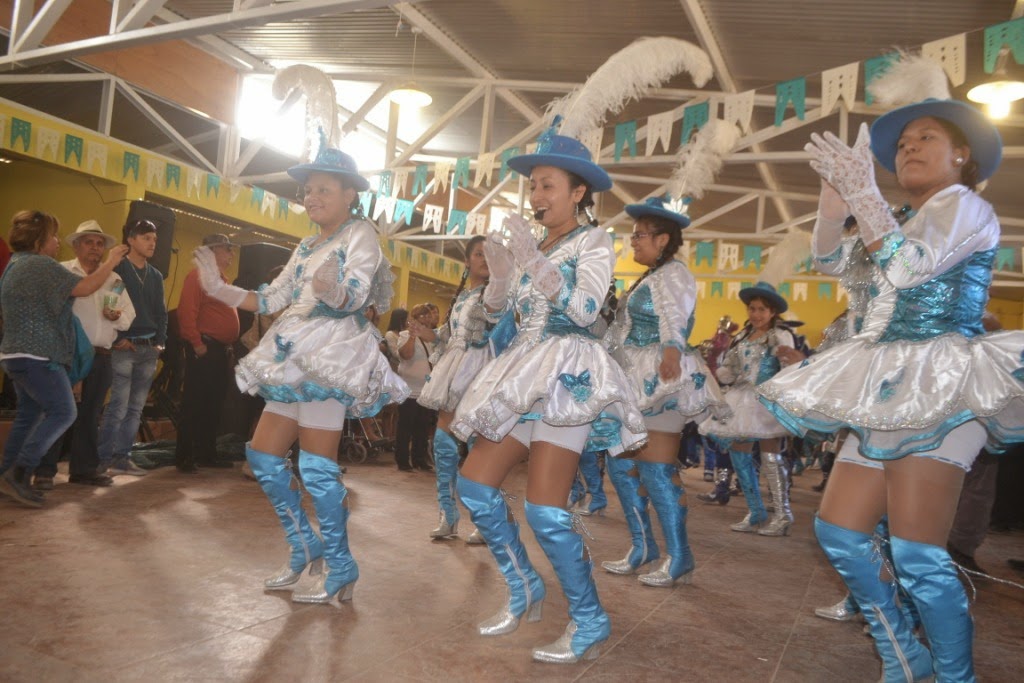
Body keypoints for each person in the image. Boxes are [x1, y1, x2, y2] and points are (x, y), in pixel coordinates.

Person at [757, 95, 1024, 681]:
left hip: (941, 384)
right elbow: (831, 260)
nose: (909, 149)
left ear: (962, 155)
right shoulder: (903, 219)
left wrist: (867, 197)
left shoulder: (966, 208)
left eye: (925, 138)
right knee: (840, 532)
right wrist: (835, 201)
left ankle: (956, 677)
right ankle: (905, 657)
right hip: (885, 385)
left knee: (917, 554)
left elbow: (907, 269)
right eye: (902, 144)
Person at [450, 126, 646, 664]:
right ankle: (524, 585)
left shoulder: (594, 241)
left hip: (567, 377)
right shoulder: (536, 242)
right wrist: (499, 282)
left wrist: (534, 264)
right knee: (475, 486)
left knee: (544, 509)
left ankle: (589, 618)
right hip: (520, 376)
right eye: (533, 187)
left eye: (547, 186)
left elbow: (586, 312)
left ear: (578, 191)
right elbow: (508, 319)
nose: (536, 197)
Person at [194, 141, 407, 603]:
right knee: (264, 457)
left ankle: (340, 564)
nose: (312, 197)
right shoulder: (308, 243)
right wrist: (219, 289)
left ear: (349, 194)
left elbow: (354, 298)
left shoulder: (361, 234)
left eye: (323, 189)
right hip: (293, 349)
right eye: (308, 190)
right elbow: (270, 300)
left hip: (331, 353)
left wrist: (332, 288)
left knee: (315, 466)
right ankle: (303, 544)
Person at [602, 197, 728, 585]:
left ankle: (679, 555)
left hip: (661, 376)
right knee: (620, 465)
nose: (633, 242)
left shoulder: (674, 274)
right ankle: (643, 546)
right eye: (633, 235)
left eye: (639, 235)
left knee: (656, 469)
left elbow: (675, 315)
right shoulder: (649, 276)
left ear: (663, 238)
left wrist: (671, 353)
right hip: (633, 374)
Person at [0, 211, 128, 507]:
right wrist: (111, 261)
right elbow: (84, 287)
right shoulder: (40, 265)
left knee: (30, 414)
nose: (57, 242)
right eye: (54, 237)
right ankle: (20, 472)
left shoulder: (15, 265)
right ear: (40, 240)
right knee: (64, 412)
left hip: (14, 354)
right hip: (37, 354)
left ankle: (7, 472)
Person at [33, 221, 136, 489]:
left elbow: (129, 316)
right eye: (89, 242)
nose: (95, 247)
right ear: (76, 245)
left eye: (100, 243)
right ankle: (44, 471)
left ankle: (84, 470)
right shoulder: (62, 271)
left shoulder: (115, 279)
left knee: (90, 414)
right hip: (66, 355)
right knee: (58, 412)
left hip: (101, 355)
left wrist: (118, 316)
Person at [699, 282, 797, 536]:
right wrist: (723, 374)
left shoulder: (779, 335)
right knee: (739, 455)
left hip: (765, 400)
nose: (756, 314)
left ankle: (783, 514)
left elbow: (789, 369)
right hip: (739, 399)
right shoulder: (742, 336)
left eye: (762, 309)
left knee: (771, 456)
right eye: (752, 309)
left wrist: (782, 396)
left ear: (773, 311)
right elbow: (731, 368)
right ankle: (756, 512)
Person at [417, 234, 492, 540]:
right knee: (442, 441)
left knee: (478, 445)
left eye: (490, 255)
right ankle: (448, 515)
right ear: (467, 261)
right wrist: (431, 335)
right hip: (455, 369)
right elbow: (450, 339)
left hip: (482, 370)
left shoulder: (496, 294)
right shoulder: (460, 298)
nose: (484, 259)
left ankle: (485, 521)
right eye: (478, 254)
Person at [97, 218, 168, 477]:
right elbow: (109, 307)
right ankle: (103, 459)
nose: (152, 243)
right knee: (118, 405)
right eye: (146, 238)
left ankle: (122, 458)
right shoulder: (119, 271)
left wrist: (161, 342)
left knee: (136, 408)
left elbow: (161, 313)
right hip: (124, 349)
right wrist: (117, 339)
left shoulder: (156, 275)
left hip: (149, 349)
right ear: (130, 240)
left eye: (154, 239)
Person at [175, 233, 241, 473]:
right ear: (212, 252)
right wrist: (195, 343)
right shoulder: (197, 277)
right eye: (227, 249)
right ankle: (185, 455)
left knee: (213, 403)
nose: (231, 254)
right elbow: (186, 312)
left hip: (219, 349)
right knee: (195, 401)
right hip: (205, 347)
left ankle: (206, 452)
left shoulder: (220, 279)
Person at [391, 303, 436, 472]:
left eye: (428, 316)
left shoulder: (432, 340)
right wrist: (412, 336)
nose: (425, 320)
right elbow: (406, 355)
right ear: (413, 320)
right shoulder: (404, 335)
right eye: (421, 317)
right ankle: (402, 461)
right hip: (409, 390)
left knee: (422, 428)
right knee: (405, 428)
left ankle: (419, 459)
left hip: (425, 392)